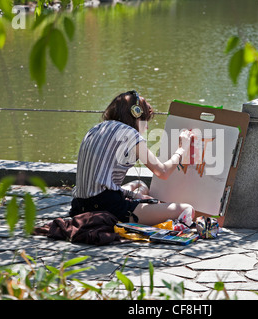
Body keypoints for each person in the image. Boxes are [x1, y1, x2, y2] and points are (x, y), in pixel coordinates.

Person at [70, 90, 195, 226]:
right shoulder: (130, 133)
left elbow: (100, 184)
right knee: (187, 209)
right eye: (145, 120)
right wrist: (183, 148)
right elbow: (163, 172)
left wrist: (136, 196)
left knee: (140, 185)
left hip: (78, 205)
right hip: (106, 208)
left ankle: (139, 204)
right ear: (136, 114)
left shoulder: (95, 129)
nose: (146, 126)